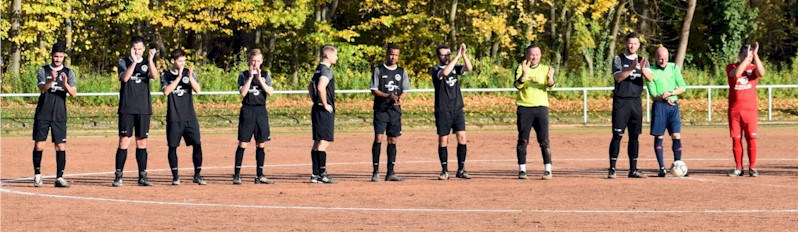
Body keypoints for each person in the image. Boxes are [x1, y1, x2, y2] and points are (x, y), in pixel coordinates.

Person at [113, 36, 159, 187]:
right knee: (124, 141)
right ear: (131, 48)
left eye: (140, 49)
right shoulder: (123, 62)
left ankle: (142, 176)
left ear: (144, 49)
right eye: (135, 49)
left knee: (142, 142)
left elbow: (155, 76)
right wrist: (134, 61)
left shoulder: (147, 62)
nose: (137, 52)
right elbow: (125, 78)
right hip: (127, 108)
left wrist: (150, 60)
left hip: (143, 108)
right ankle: (118, 175)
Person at [31, 43, 77, 188]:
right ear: (52, 55)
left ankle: (60, 177)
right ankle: (37, 175)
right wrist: (51, 81)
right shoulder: (43, 70)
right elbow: (41, 88)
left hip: (59, 115)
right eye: (56, 56)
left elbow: (73, 93)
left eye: (61, 57)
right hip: (43, 113)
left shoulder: (69, 72)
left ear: (64, 57)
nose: (58, 59)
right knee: (39, 145)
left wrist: (65, 84)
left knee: (60, 146)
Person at [608, 33, 653, 179]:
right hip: (621, 101)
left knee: (634, 136)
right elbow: (618, 77)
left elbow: (650, 78)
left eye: (635, 43)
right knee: (617, 135)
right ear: (626, 44)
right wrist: (632, 68)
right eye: (630, 43)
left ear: (639, 45)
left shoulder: (643, 60)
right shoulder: (618, 59)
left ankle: (633, 169)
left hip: (635, 102)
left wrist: (642, 69)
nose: (632, 46)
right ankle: (612, 168)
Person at [161, 49, 206, 185]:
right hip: (174, 118)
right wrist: (178, 77)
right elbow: (166, 91)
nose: (182, 63)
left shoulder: (189, 73)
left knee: (197, 144)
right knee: (173, 146)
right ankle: (175, 176)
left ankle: (197, 175)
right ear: (173, 61)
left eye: (184, 61)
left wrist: (190, 77)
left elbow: (198, 90)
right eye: (180, 61)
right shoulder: (166, 75)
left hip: (189, 117)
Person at [233, 49, 276, 185]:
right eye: (253, 61)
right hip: (248, 110)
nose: (255, 63)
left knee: (261, 143)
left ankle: (260, 175)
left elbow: (270, 92)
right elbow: (243, 93)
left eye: (258, 61)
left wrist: (260, 80)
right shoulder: (243, 75)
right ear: (249, 61)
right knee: (243, 143)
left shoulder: (266, 75)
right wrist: (251, 78)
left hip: (261, 111)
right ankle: (237, 174)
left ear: (261, 61)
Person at [513, 44, 555, 180]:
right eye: (532, 54)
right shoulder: (521, 67)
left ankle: (548, 169)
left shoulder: (546, 69)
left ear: (540, 55)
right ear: (527, 55)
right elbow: (518, 85)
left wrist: (550, 79)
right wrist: (524, 74)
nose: (534, 57)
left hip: (541, 108)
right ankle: (522, 170)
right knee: (523, 140)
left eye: (537, 54)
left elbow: (550, 87)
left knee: (544, 140)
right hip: (525, 107)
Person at [431, 43, 473, 180]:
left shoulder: (455, 67)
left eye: (448, 54)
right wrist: (457, 56)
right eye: (444, 55)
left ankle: (461, 169)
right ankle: (444, 171)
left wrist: (463, 55)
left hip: (457, 109)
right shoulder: (435, 69)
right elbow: (445, 72)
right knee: (443, 140)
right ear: (438, 56)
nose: (446, 57)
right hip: (443, 110)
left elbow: (469, 68)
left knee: (462, 137)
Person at [369, 43, 410, 182]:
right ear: (387, 54)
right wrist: (387, 96)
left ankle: (390, 172)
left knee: (392, 139)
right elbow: (374, 89)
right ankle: (375, 171)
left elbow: (405, 90)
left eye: (396, 55)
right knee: (378, 138)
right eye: (391, 54)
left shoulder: (402, 72)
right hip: (381, 110)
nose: (393, 57)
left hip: (394, 111)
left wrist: (399, 98)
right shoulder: (379, 70)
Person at [646, 47, 687, 177]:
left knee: (676, 135)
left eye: (665, 58)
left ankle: (677, 164)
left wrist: (670, 93)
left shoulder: (673, 67)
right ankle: (662, 168)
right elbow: (653, 94)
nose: (663, 61)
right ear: (656, 58)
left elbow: (682, 87)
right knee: (659, 136)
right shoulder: (650, 71)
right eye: (660, 58)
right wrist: (663, 98)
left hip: (673, 106)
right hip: (660, 107)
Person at [726, 42, 765, 177]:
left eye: (749, 55)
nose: (748, 57)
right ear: (740, 55)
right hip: (735, 110)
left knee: (751, 138)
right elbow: (737, 74)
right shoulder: (731, 67)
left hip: (750, 111)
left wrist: (755, 55)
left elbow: (762, 73)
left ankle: (752, 167)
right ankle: (738, 168)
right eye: (745, 54)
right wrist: (746, 59)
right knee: (736, 138)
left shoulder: (753, 68)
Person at [308, 45, 339, 184]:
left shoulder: (317, 69)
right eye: (335, 55)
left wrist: (315, 100)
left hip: (316, 108)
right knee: (323, 142)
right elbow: (321, 87)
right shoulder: (326, 70)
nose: (336, 57)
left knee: (317, 142)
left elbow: (310, 86)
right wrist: (325, 104)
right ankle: (322, 174)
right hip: (323, 111)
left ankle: (315, 174)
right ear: (328, 56)